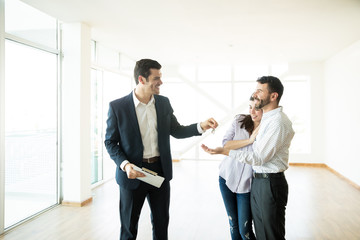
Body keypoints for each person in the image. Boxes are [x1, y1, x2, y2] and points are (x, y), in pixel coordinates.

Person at [104, 59, 218, 240]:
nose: (161, 82)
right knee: (129, 227)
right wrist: (125, 165)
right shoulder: (118, 107)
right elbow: (110, 142)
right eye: (156, 78)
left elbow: (177, 130)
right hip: (133, 172)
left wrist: (201, 126)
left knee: (161, 222)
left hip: (159, 171)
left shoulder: (163, 103)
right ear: (141, 79)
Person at [202, 76, 294, 240]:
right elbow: (234, 145)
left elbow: (259, 157)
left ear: (273, 96)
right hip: (259, 181)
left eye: (260, 90)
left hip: (268, 182)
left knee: (269, 234)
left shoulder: (277, 122)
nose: (255, 93)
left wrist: (225, 152)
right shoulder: (267, 118)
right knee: (261, 234)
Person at [218, 96, 261, 240]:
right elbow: (226, 144)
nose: (252, 111)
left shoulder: (268, 129)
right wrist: (249, 140)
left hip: (247, 187)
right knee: (233, 225)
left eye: (257, 108)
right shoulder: (239, 121)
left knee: (245, 230)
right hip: (226, 178)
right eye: (250, 107)